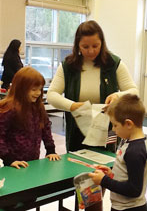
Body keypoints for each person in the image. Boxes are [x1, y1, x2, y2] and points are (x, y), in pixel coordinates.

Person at [47, 20, 138, 152]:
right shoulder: (68, 66)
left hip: (108, 129)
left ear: (102, 43)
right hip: (77, 131)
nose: (91, 51)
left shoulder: (114, 63)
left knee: (106, 167)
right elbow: (52, 95)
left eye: (96, 46)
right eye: (85, 47)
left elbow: (134, 91)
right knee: (76, 166)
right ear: (77, 45)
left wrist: (117, 96)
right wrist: (72, 106)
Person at [89, 94, 147, 211]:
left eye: (115, 125)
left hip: (130, 208)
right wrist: (111, 174)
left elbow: (134, 190)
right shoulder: (131, 141)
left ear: (128, 124)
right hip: (122, 206)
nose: (113, 129)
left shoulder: (135, 152)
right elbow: (127, 172)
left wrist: (104, 180)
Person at [0, 67, 60, 169]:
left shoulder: (38, 107)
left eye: (40, 89)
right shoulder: (11, 108)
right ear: (21, 88)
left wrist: (51, 150)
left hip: (33, 161)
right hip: (14, 164)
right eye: (33, 90)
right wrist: (8, 159)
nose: (38, 93)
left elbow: (45, 128)